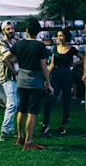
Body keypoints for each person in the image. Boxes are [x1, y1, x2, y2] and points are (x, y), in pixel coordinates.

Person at [4, 18, 53, 150]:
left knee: (22, 109)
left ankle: (20, 137)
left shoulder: (19, 44)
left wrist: (14, 71)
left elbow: (5, 58)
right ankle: (29, 141)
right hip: (35, 81)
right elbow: (43, 67)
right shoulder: (40, 46)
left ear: (26, 30)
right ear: (37, 32)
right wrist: (48, 83)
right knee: (32, 112)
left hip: (21, 80)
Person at [41, 28, 84, 135]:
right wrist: (47, 76)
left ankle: (63, 125)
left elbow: (83, 58)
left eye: (61, 36)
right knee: (50, 98)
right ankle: (45, 124)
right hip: (55, 73)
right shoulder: (55, 48)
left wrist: (73, 65)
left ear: (66, 37)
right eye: (58, 36)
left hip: (66, 74)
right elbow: (51, 64)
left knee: (66, 99)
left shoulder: (72, 49)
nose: (59, 38)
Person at [0, 21, 19, 142]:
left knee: (16, 102)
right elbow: (9, 58)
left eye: (12, 28)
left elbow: (16, 57)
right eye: (8, 29)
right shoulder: (1, 43)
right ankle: (4, 130)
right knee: (12, 103)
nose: (11, 31)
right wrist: (15, 59)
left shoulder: (14, 42)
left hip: (15, 76)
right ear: (3, 31)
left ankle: (10, 128)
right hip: (7, 75)